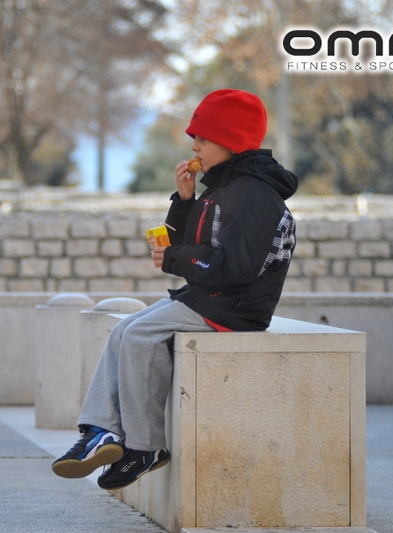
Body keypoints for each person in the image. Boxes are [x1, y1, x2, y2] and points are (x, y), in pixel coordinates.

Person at [51, 89, 298, 490]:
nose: (194, 146)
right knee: (122, 329)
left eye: (203, 138)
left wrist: (175, 257)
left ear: (232, 141)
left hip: (234, 308)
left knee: (140, 335)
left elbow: (235, 267)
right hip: (209, 298)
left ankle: (145, 447)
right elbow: (187, 245)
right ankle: (100, 430)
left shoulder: (254, 196)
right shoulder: (223, 188)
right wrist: (184, 201)